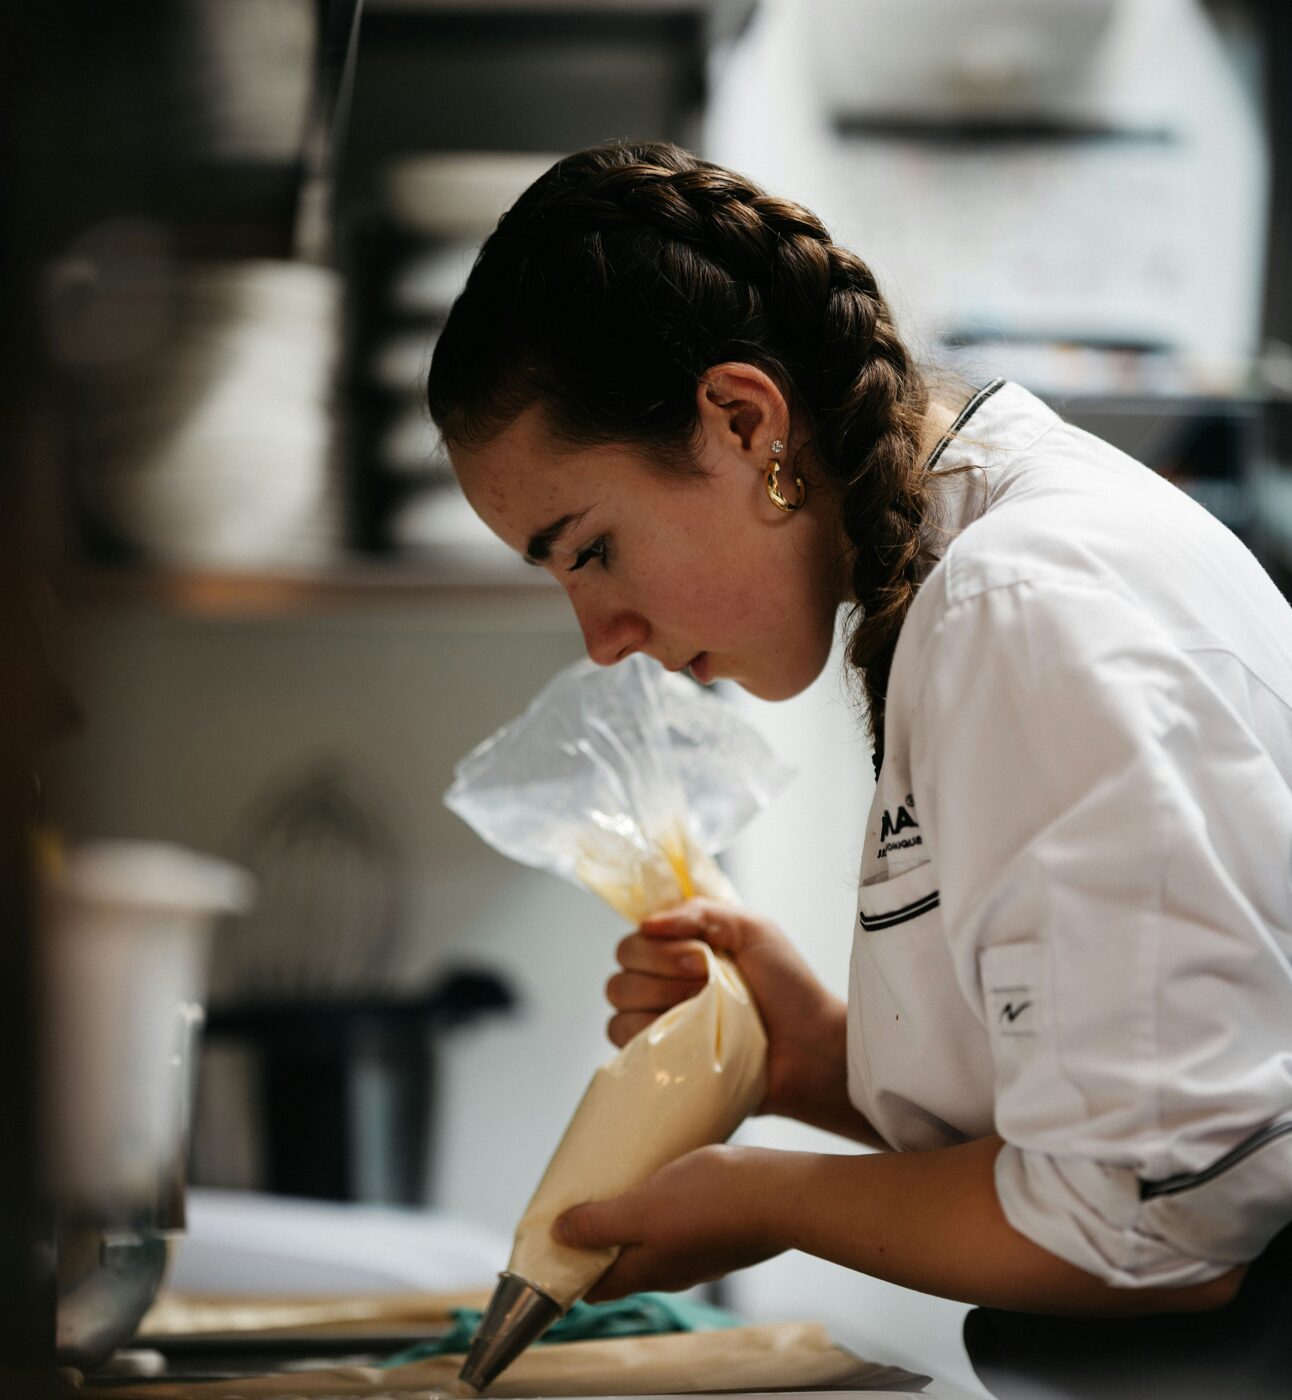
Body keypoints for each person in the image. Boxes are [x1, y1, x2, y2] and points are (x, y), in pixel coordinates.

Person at [427, 141, 1292, 1394]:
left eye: (591, 548)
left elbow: (1153, 1224)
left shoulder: (1021, 599)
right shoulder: (972, 577)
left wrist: (770, 1195)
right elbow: (1112, 1110)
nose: (601, 639)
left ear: (740, 420)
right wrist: (807, 1058)